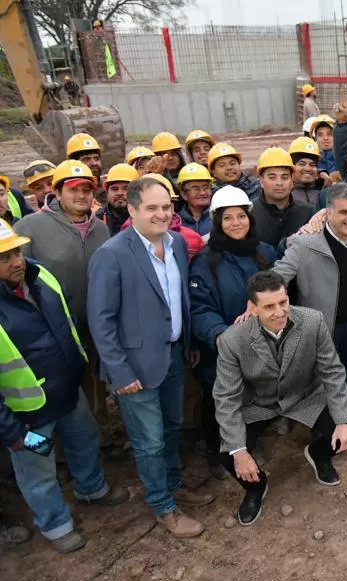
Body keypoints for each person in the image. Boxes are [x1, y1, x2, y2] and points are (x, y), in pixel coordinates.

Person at [87, 178, 213, 538]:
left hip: (172, 356)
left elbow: (178, 300)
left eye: (166, 207)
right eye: (152, 208)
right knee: (150, 441)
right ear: (132, 210)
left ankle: (173, 484)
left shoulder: (175, 243)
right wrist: (120, 372)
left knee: (172, 426)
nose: (161, 214)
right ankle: (162, 505)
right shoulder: (112, 254)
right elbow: (101, 320)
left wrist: (187, 342)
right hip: (134, 367)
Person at [0, 220, 128, 552]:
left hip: (68, 390)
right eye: (4, 258)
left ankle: (91, 488)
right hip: (28, 414)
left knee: (84, 440)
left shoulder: (40, 276)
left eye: (16, 252)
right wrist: (10, 429)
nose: (16, 262)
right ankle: (55, 524)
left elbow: (66, 320)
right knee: (38, 470)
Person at [214, 271, 347, 525]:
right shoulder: (231, 340)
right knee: (228, 453)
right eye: (269, 306)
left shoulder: (313, 321)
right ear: (253, 308)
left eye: (283, 302)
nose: (280, 312)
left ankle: (319, 454)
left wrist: (344, 420)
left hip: (304, 397)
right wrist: (239, 451)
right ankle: (256, 488)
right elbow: (226, 397)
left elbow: (332, 371)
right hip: (259, 404)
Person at [273, 183, 347, 441]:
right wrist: (258, 300)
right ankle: (325, 434)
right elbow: (279, 275)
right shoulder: (305, 243)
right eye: (343, 212)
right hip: (321, 327)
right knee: (322, 380)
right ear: (327, 213)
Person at [189, 185, 277, 478]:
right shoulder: (205, 261)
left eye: (241, 216)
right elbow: (200, 307)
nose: (236, 223)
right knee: (220, 399)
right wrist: (221, 335)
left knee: (252, 396)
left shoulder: (264, 252)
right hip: (222, 348)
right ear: (217, 222)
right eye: (228, 218)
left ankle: (247, 444)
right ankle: (219, 452)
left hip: (261, 343)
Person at [15, 160, 109, 332]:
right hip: (53, 330)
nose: (81, 195)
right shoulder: (28, 227)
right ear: (57, 193)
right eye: (73, 189)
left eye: (86, 190)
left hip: (98, 328)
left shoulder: (102, 230)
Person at [250, 148, 314, 250]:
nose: (279, 183)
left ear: (292, 181)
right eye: (272, 177)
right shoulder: (249, 213)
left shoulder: (307, 212)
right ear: (261, 181)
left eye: (285, 177)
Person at [97, 164, 138, 236]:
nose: (120, 193)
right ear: (107, 192)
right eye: (114, 189)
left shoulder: (146, 218)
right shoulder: (97, 220)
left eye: (126, 188)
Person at [176, 163, 214, 237]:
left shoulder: (219, 216)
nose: (202, 193)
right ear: (184, 194)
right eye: (196, 189)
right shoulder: (176, 221)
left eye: (206, 187)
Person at [288, 137, 324, 208]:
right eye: (301, 164)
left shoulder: (325, 191)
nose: (308, 169)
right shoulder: (284, 194)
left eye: (312, 165)